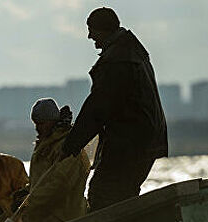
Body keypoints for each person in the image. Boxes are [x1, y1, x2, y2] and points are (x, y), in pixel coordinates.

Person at [61, 7, 168, 211]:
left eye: (91, 30)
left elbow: (97, 108)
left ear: (102, 30)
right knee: (123, 195)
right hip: (146, 141)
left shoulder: (116, 61)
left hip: (129, 143)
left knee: (103, 193)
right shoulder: (133, 52)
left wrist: (71, 146)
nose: (89, 36)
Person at [20, 98, 90, 222]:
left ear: (52, 121)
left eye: (41, 123)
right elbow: (39, 181)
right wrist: (24, 193)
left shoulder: (69, 147)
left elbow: (60, 185)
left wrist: (29, 202)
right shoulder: (44, 146)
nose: (37, 128)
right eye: (35, 123)